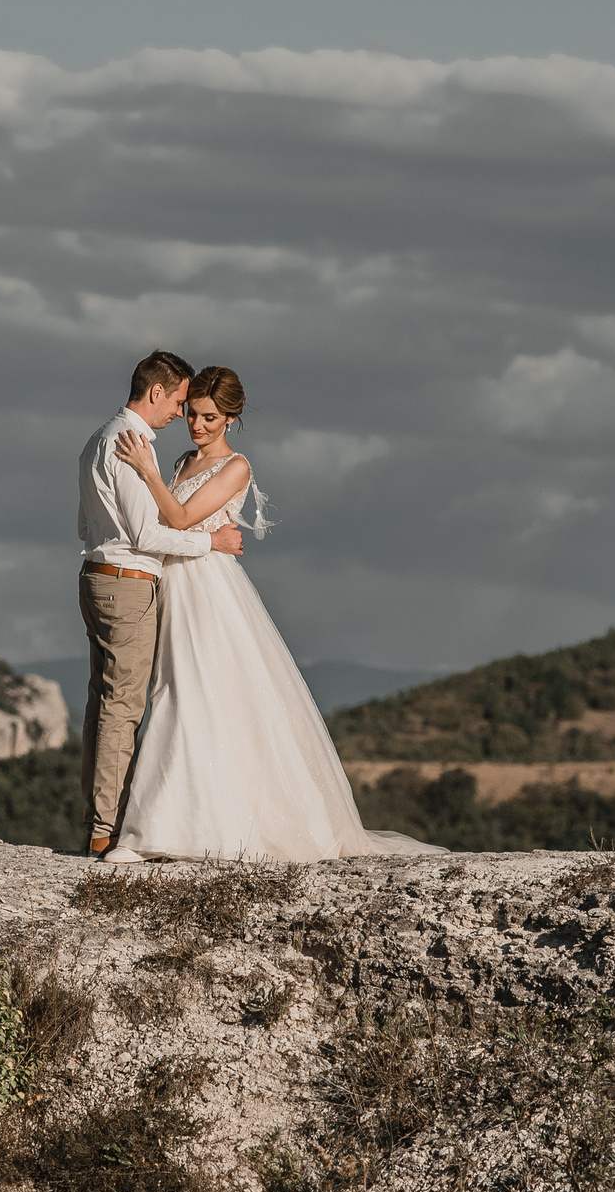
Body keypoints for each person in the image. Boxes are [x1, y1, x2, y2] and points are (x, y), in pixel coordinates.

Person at [106, 365, 437, 863]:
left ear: (232, 419)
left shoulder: (236, 466)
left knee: (196, 694)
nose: (197, 426)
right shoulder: (179, 461)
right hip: (174, 583)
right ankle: (180, 825)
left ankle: (161, 833)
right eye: (192, 415)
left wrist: (147, 473)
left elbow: (176, 518)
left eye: (210, 418)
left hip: (209, 591)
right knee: (175, 692)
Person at [76, 351, 246, 860]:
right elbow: (152, 530)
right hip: (131, 581)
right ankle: (106, 829)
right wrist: (210, 544)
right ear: (158, 393)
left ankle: (109, 821)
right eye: (181, 405)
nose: (185, 418)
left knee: (115, 705)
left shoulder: (103, 439)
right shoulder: (134, 446)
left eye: (202, 414)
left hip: (127, 580)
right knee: (124, 707)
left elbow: (88, 523)